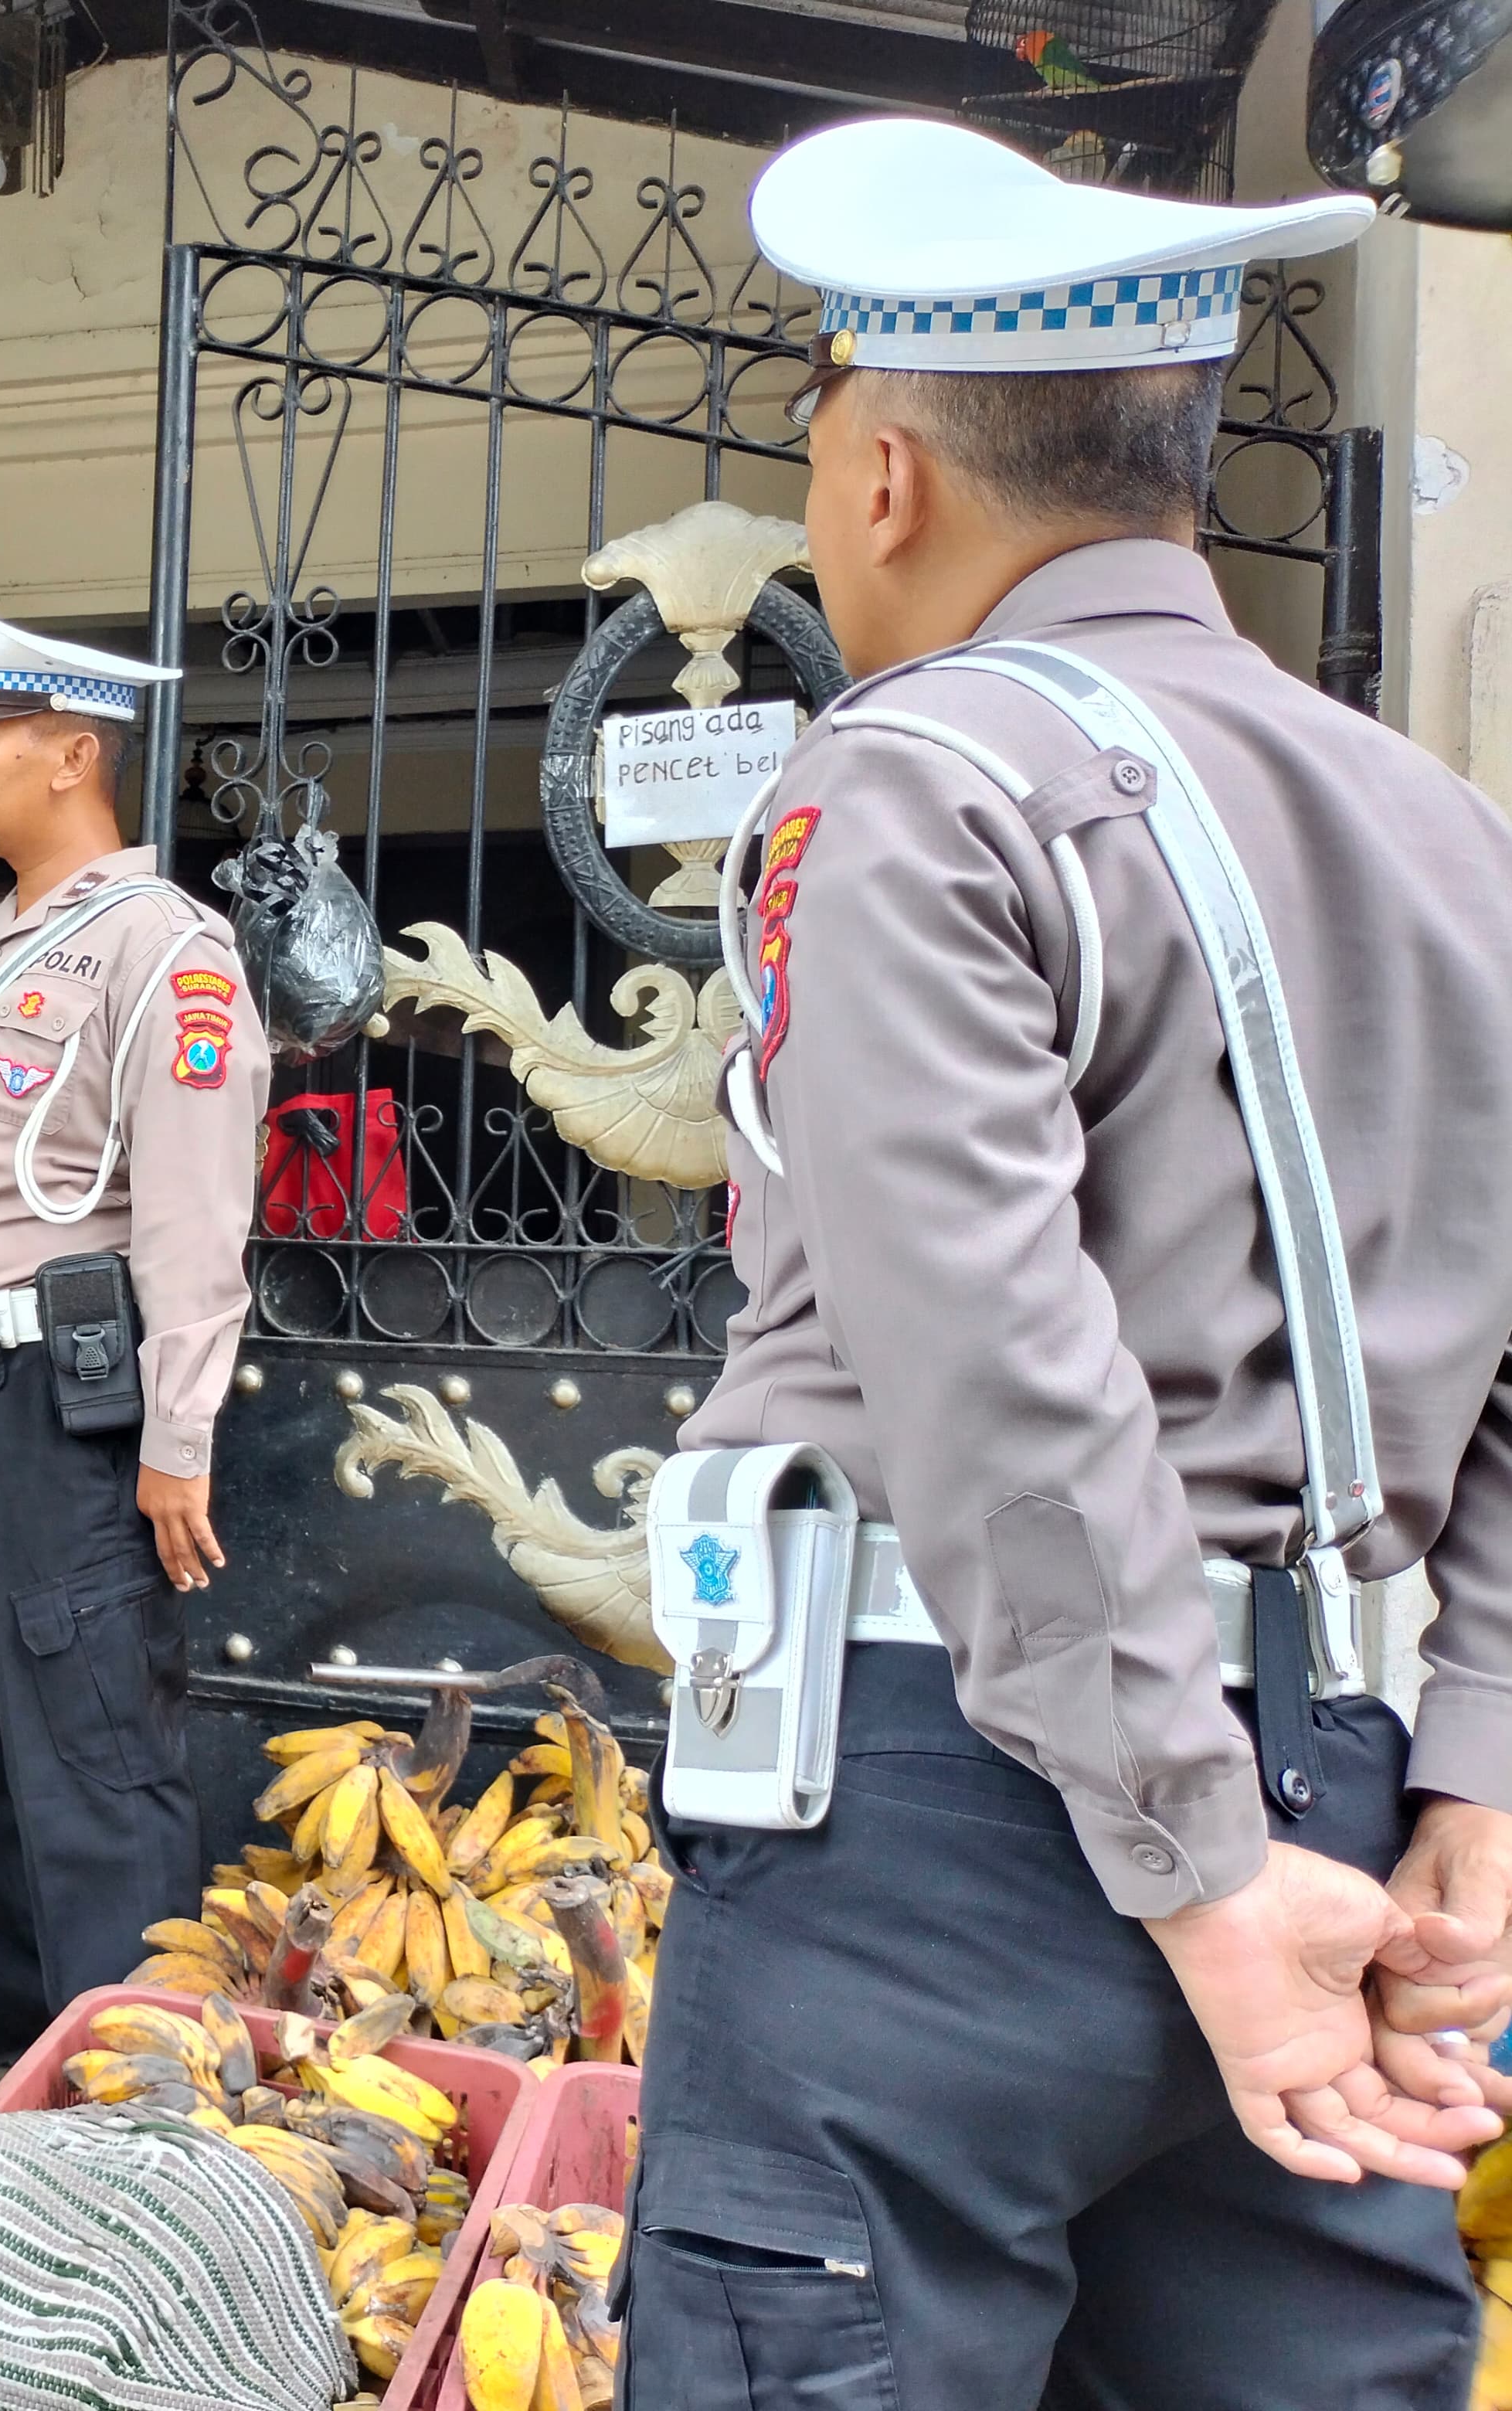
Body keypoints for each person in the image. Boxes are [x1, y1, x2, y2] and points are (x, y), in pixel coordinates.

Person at [630, 120, 1512, 2406]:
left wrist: (1192, 1870)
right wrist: (1476, 1781)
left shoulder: (913, 774)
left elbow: (994, 1361)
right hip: (1335, 1790)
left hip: (952, 1820)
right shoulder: (1451, 832)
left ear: (885, 476)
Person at [0, 600, 266, 2092]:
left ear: (72, 754)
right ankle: (1, 1998)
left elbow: (196, 1217)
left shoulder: (165, 952)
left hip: (58, 1396)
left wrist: (177, 1437)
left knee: (88, 1730)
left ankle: (128, 2067)